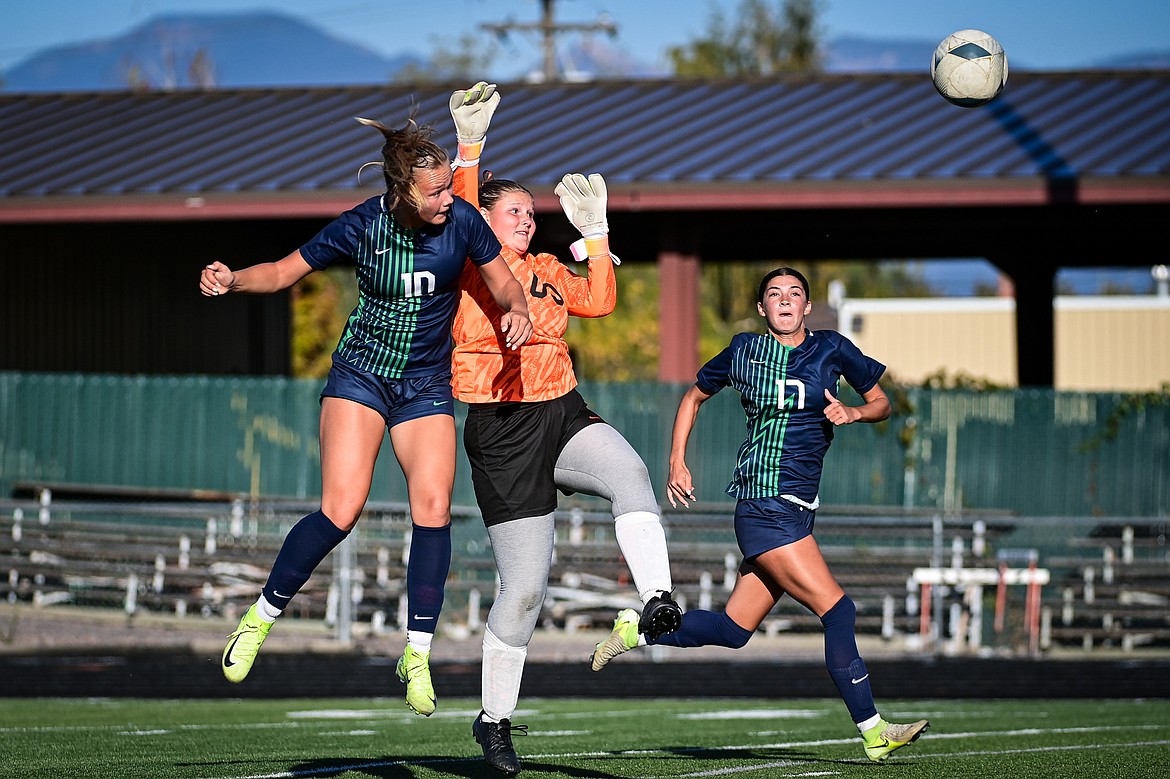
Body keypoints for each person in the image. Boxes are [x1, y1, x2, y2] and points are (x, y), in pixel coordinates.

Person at [198, 105, 532, 718]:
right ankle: (261, 616)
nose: (449, 199)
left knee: (433, 507)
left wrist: (517, 307)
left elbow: (504, 282)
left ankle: (416, 653)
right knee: (341, 509)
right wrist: (234, 279)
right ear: (404, 191)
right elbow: (283, 271)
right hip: (362, 376)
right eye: (436, 191)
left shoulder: (462, 221)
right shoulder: (362, 225)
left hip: (425, 384)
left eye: (449, 188)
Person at [589, 267, 929, 763]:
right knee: (839, 611)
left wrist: (853, 412)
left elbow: (881, 403)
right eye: (774, 294)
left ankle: (636, 630)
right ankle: (874, 731)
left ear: (807, 307)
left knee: (733, 630)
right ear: (762, 307)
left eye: (794, 294)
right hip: (766, 504)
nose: (785, 300)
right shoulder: (744, 350)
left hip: (797, 508)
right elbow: (693, 396)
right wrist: (676, 460)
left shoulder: (832, 348)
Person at [446, 82, 682, 776]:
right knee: (523, 592)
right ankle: (493, 720)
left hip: (561, 407)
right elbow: (461, 212)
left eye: (530, 211)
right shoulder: (467, 261)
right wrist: (469, 149)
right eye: (513, 211)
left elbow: (601, 301)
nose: (526, 219)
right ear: (485, 217)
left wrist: (598, 233)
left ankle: (657, 599)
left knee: (630, 472)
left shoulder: (548, 268)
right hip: (501, 427)